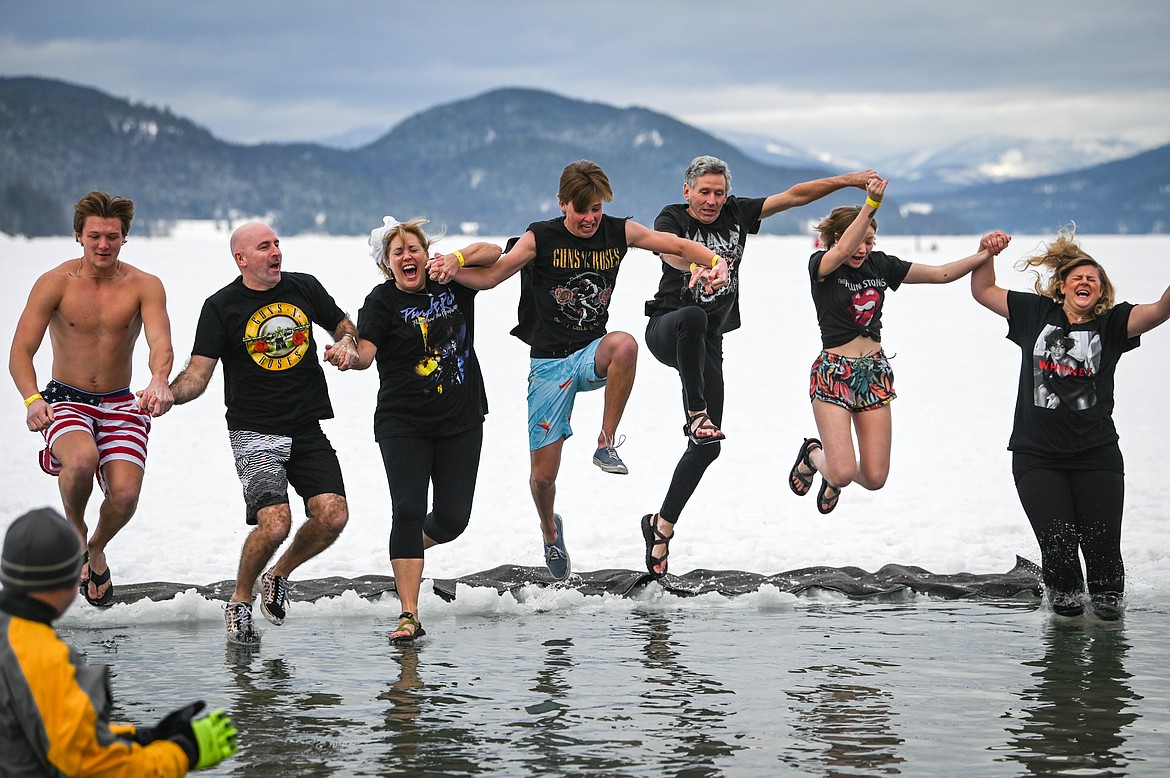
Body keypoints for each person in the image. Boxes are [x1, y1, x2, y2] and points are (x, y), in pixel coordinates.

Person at [455, 160, 727, 581]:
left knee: (625, 344)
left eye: (596, 209)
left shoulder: (618, 231)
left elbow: (672, 243)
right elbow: (492, 277)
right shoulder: (539, 237)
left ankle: (606, 441)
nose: (589, 219)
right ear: (563, 204)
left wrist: (713, 260)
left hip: (590, 353)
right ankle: (550, 529)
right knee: (543, 478)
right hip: (548, 363)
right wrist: (451, 269)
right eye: (581, 210)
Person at [640, 156, 877, 575]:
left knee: (708, 447)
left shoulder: (737, 213)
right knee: (693, 318)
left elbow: (796, 196)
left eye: (719, 193)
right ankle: (697, 415)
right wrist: (701, 265)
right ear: (687, 191)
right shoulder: (671, 217)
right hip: (668, 328)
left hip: (708, 342)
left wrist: (851, 181)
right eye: (704, 192)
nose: (712, 201)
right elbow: (672, 250)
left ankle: (660, 527)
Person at [167, 222, 357, 643]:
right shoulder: (221, 306)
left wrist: (346, 343)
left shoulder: (304, 287)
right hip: (254, 431)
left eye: (277, 242)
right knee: (275, 523)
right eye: (264, 246)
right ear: (241, 259)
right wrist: (168, 394)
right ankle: (238, 601)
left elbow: (343, 324)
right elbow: (197, 375)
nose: (276, 252)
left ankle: (279, 575)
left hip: (306, 426)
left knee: (333, 515)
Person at [970, 228, 1170, 619]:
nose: (1084, 281)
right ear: (1061, 287)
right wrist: (985, 252)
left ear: (1101, 291)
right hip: (1036, 455)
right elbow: (984, 290)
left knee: (1103, 551)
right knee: (1059, 550)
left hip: (1096, 455)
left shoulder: (1114, 323)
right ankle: (1064, 649)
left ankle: (1109, 646)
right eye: (1077, 277)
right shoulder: (1034, 313)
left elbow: (1162, 309)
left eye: (1092, 279)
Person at [330, 216, 501, 643]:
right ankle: (409, 614)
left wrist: (457, 260)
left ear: (427, 255)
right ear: (388, 264)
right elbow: (365, 352)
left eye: (414, 249)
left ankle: (407, 551)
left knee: (451, 519)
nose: (408, 256)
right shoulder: (381, 301)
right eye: (398, 252)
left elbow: (494, 253)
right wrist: (348, 356)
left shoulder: (454, 282)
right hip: (403, 424)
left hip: (461, 420)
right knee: (407, 510)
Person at [787, 180, 1005, 515]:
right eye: (857, 241)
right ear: (835, 239)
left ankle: (829, 469)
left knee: (874, 478)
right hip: (834, 372)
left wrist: (984, 253)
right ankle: (814, 455)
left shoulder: (881, 265)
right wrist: (871, 203)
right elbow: (844, 251)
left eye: (869, 241)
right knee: (844, 472)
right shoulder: (822, 265)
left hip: (874, 372)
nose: (862, 249)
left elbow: (942, 274)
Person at [8, 191, 175, 609]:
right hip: (65, 398)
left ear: (125, 238)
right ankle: (77, 535)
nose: (104, 245)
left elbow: (160, 342)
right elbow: (19, 351)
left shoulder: (144, 285)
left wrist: (158, 381)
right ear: (78, 236)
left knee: (124, 497)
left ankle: (96, 548)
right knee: (80, 461)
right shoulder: (54, 283)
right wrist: (32, 399)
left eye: (113, 237)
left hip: (121, 401)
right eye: (95, 236)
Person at [1, 507, 238, 775]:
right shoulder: (41, 658)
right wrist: (182, 752)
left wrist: (141, 737)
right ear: (71, 578)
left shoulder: (12, 637)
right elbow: (93, 767)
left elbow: (50, 727)